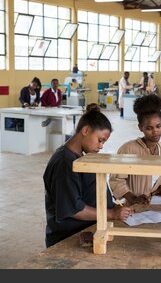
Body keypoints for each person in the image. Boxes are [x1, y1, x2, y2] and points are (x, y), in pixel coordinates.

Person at [43, 104, 134, 248]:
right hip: (68, 237)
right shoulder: (64, 163)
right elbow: (74, 209)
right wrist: (111, 213)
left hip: (89, 230)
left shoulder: (80, 158)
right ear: (85, 130)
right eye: (100, 140)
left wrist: (115, 206)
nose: (101, 146)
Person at [110, 94, 161, 205]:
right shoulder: (128, 149)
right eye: (149, 128)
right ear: (140, 127)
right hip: (130, 206)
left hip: (152, 203)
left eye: (158, 126)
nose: (155, 131)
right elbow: (116, 181)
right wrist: (133, 198)